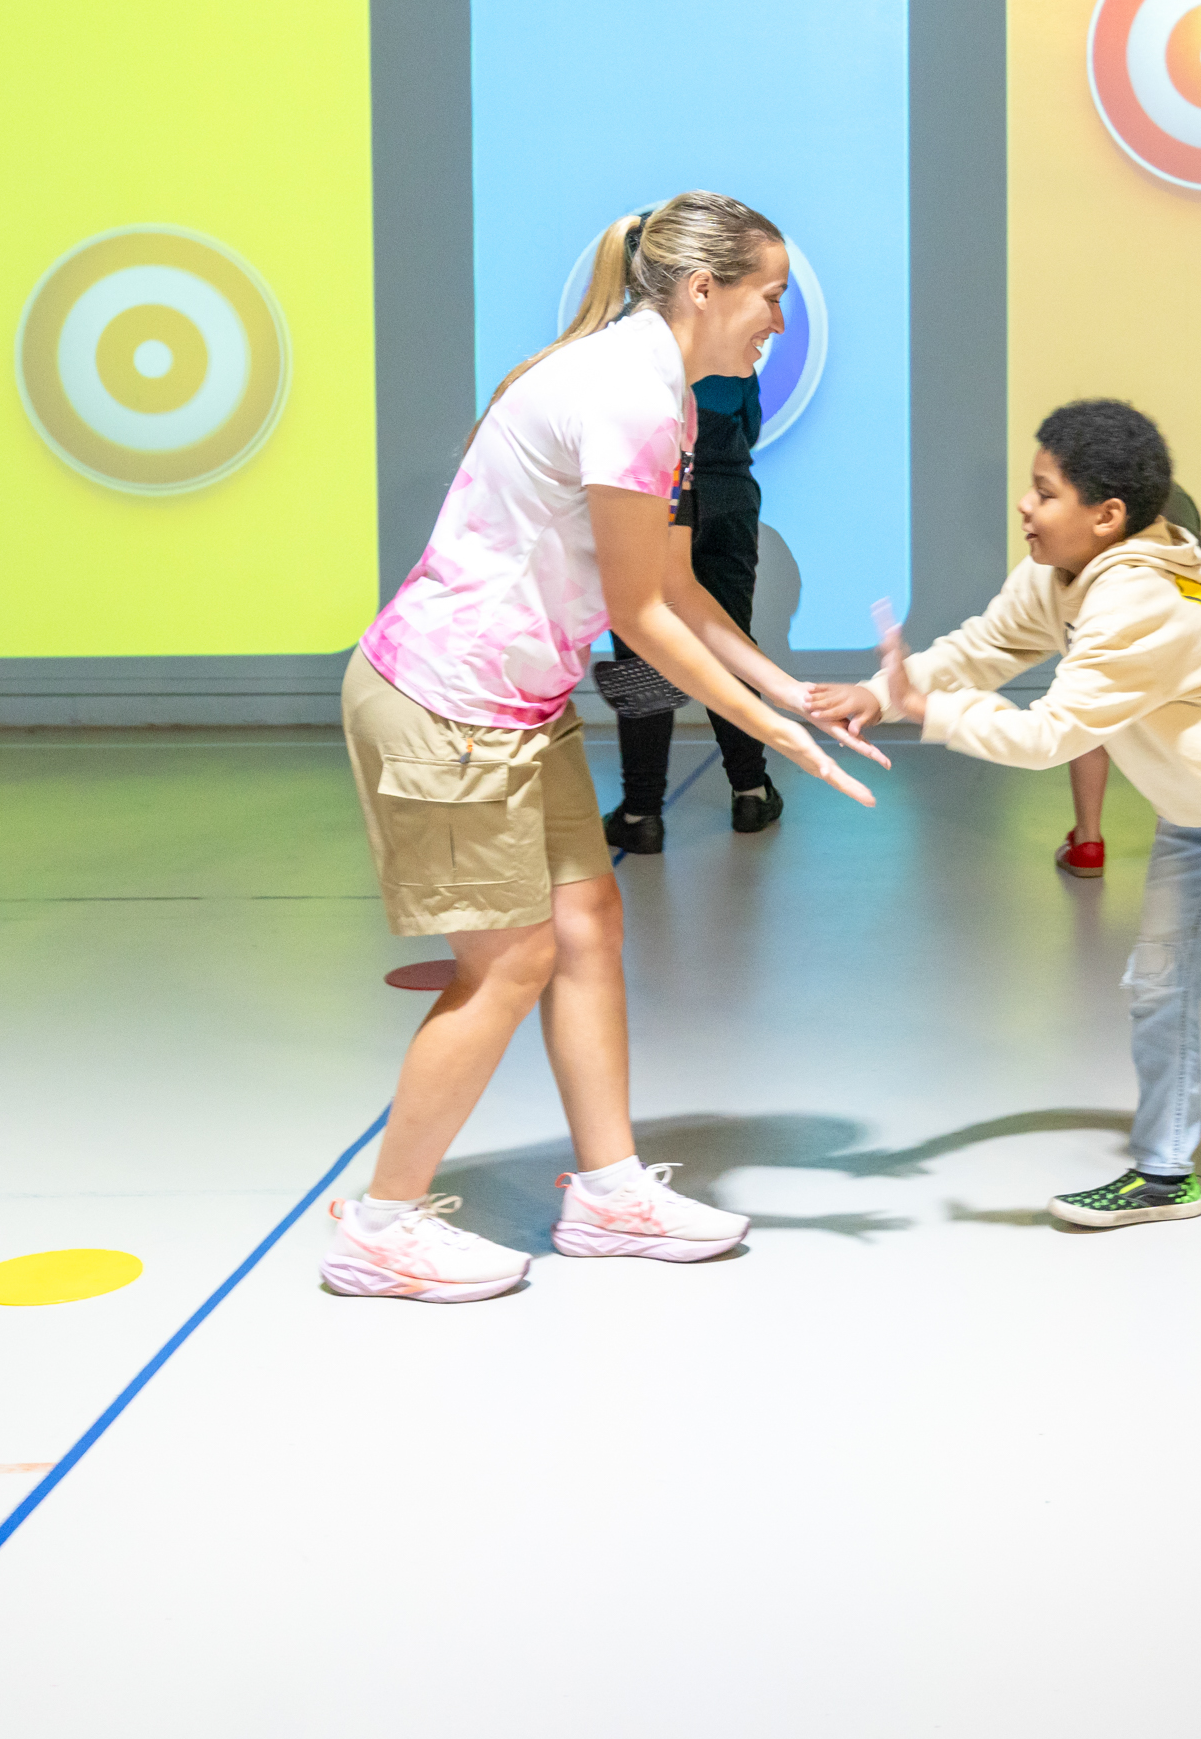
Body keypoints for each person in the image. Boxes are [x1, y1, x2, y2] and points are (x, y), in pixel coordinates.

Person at [320, 194, 876, 1304]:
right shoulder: (627, 393)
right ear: (704, 289)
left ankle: (611, 1193)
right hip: (449, 703)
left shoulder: (660, 389)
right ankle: (378, 1227)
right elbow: (641, 616)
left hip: (515, 705)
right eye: (770, 296)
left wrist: (790, 690)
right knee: (510, 960)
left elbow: (676, 585)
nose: (779, 321)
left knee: (587, 925)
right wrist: (768, 733)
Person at [809, 400, 1201, 1244]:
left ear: (1107, 516)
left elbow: (1051, 735)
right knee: (1157, 983)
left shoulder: (1136, 602)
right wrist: (880, 694)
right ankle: (1165, 1173)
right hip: (1194, 806)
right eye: (1031, 487)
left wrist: (930, 712)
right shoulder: (1057, 574)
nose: (1024, 505)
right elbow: (985, 645)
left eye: (1045, 492)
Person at [594, 362, 780, 854]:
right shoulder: (734, 360)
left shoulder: (626, 355)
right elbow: (750, 430)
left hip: (652, 498)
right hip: (728, 497)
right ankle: (751, 793)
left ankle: (641, 814)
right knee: (728, 642)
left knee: (643, 650)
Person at [1054, 481, 1201, 878]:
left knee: (1088, 719)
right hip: (1178, 627)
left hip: (1104, 622)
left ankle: (1087, 842)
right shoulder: (1176, 500)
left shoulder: (1081, 500)